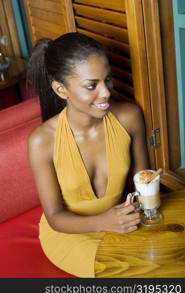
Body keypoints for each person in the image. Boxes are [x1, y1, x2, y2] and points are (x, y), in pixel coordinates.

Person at [27, 32, 149, 278]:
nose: (106, 93)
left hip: (121, 221)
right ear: (61, 90)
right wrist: (105, 222)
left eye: (108, 80)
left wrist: (143, 213)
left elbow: (142, 181)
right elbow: (54, 217)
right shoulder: (42, 141)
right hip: (71, 234)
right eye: (91, 85)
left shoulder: (129, 117)